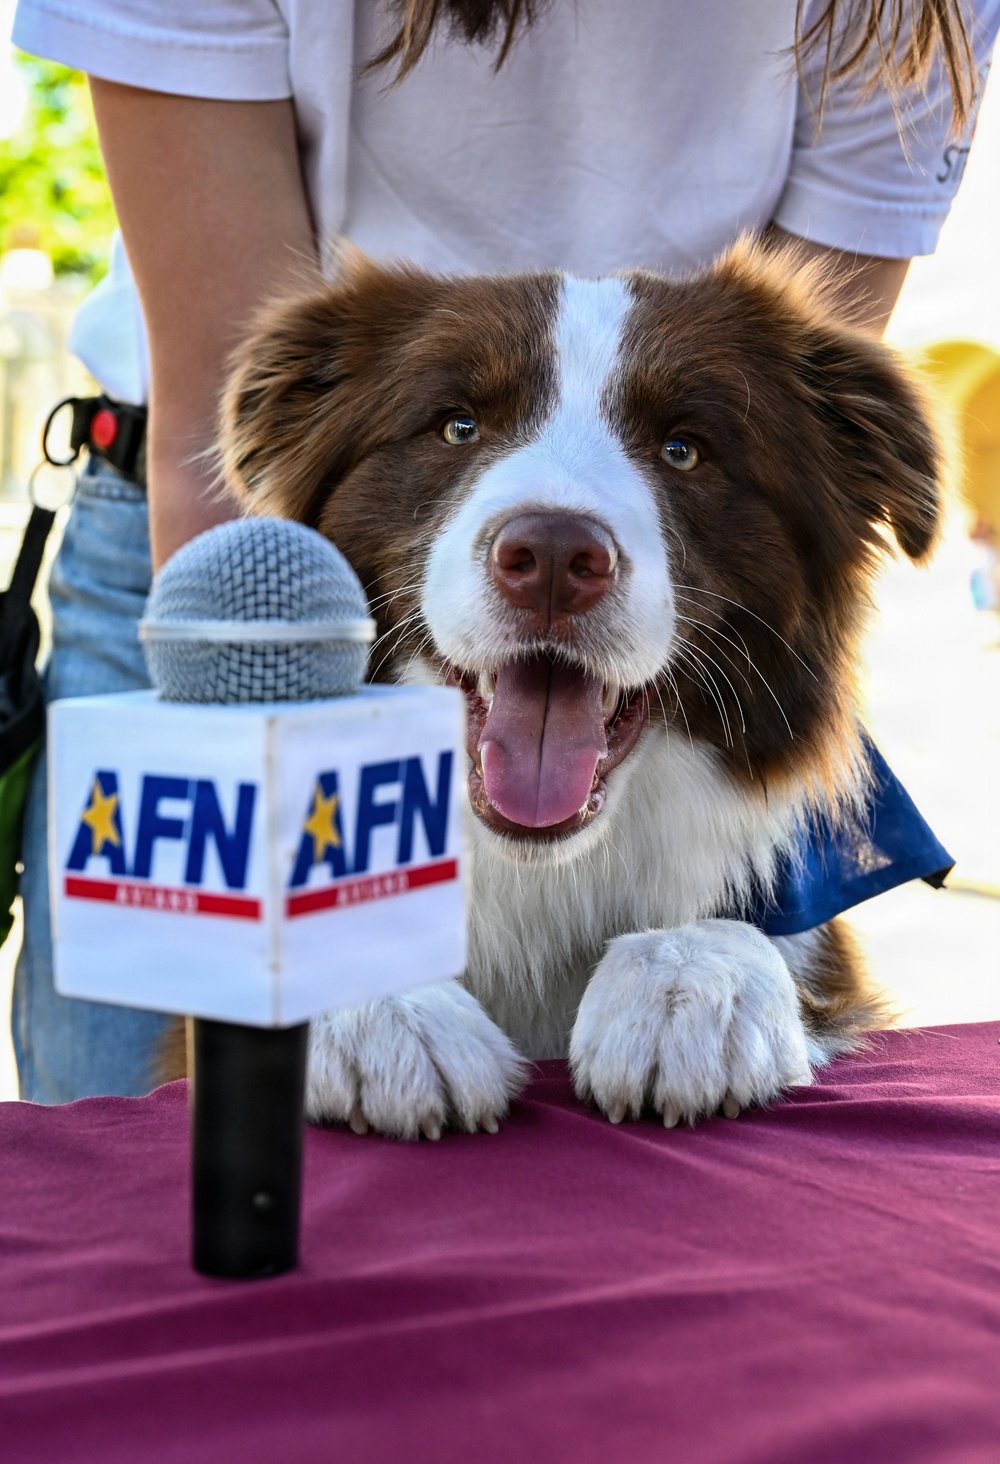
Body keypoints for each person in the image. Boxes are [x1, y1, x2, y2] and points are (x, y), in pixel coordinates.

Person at [9, 0, 1000, 1102]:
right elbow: (220, 483)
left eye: (680, 445)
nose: (554, 539)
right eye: (462, 430)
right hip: (220, 563)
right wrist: (311, 964)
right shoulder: (274, 498)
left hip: (673, 609)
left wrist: (735, 947)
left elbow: (798, 476)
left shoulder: (916, 14)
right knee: (133, 1183)